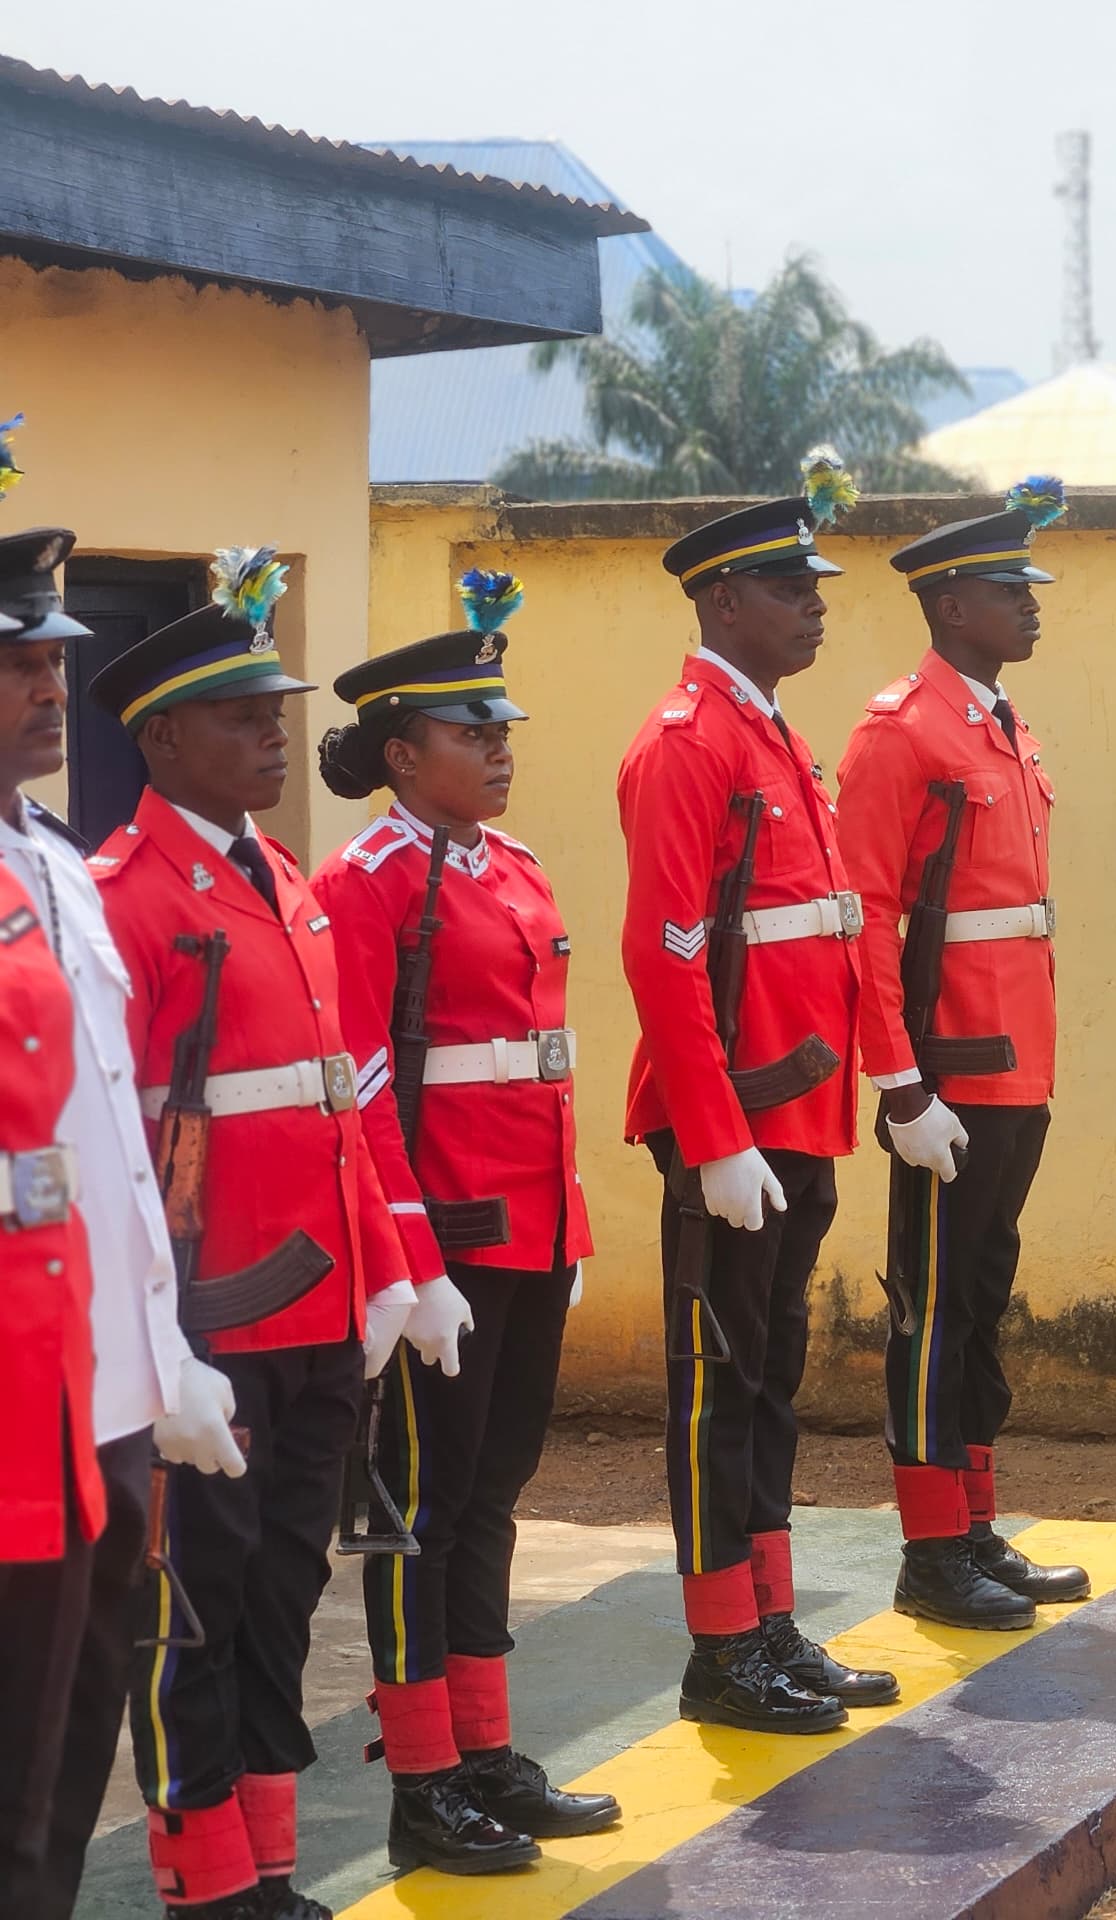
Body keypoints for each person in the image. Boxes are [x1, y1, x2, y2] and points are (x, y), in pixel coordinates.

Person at [90, 548, 460, 1920]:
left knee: (283, 1593)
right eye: (243, 718)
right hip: (212, 1326)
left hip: (317, 1311)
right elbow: (116, 1150)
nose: (274, 734)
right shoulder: (126, 897)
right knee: (194, 1602)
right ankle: (204, 1880)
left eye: (277, 713)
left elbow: (343, 1104)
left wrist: (391, 1270)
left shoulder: (284, 879)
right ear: (161, 739)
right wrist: (154, 1351)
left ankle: (269, 1869)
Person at [312, 573, 620, 1874]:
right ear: (401, 753)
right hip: (444, 1242)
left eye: (503, 729)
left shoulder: (515, 866)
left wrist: (565, 1228)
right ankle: (423, 1778)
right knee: (418, 1512)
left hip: (530, 1233)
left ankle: (485, 1750)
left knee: (494, 1491)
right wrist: (407, 1258)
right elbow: (364, 1080)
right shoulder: (365, 882)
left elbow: (538, 1071)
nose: (500, 749)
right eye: (471, 731)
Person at [619, 451, 893, 1732]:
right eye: (790, 588)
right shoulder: (687, 746)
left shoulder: (774, 737)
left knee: (772, 1373)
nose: (815, 605)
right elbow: (663, 951)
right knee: (717, 1383)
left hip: (797, 1110)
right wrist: (715, 1135)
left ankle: (770, 1620)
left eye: (814, 585)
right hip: (731, 1122)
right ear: (723, 601)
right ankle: (722, 1648)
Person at [0, 515, 240, 1920]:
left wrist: (161, 1359)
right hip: (13, 1385)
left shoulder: (53, 858)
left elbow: (110, 1139)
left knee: (69, 1743)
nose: (50, 686)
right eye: (18, 663)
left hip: (93, 1384)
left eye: (54, 659)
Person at [837, 477, 1088, 1629]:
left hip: (1017, 1056)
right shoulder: (902, 731)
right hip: (948, 1065)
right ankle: (931, 1551)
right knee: (930, 1305)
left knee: (982, 1294)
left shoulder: (999, 722)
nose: (1029, 604)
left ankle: (975, 1525)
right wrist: (899, 1085)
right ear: (948, 606)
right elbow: (865, 917)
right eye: (1007, 588)